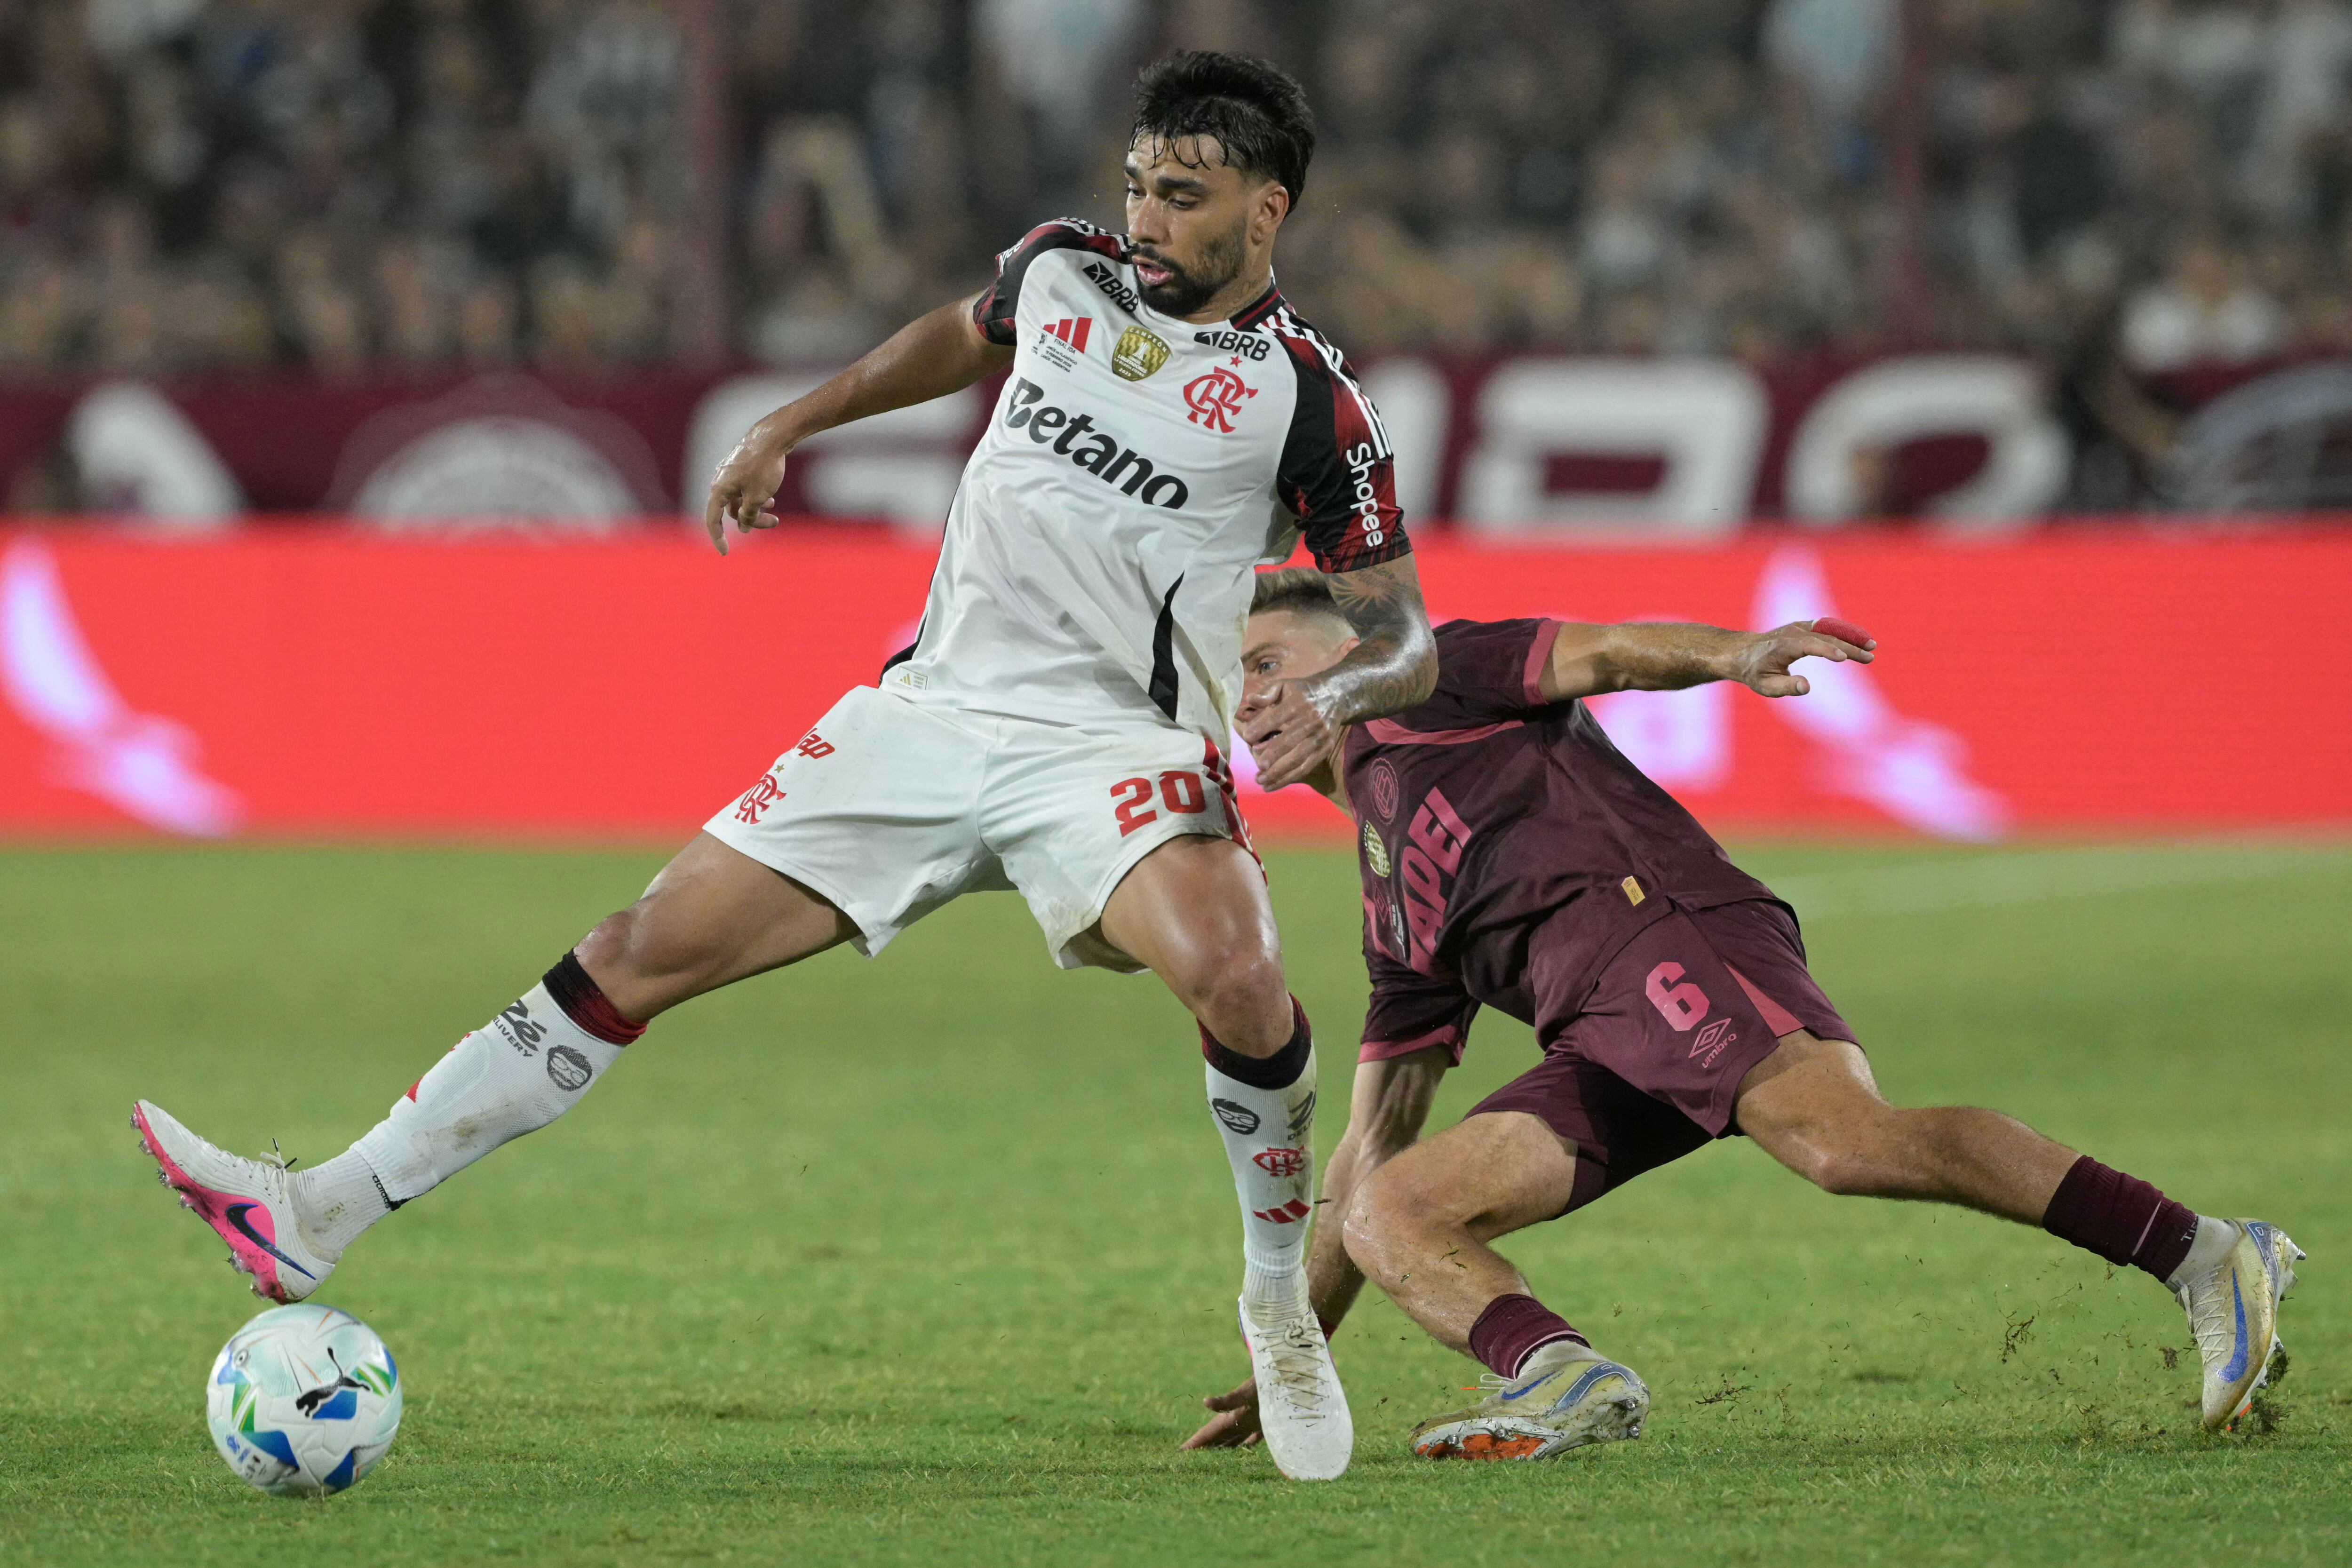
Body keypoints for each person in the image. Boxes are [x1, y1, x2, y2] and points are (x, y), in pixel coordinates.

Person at [133, 53, 1436, 1484]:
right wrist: (793, 423)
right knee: (635, 948)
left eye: (1182, 196)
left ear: (1266, 211)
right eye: (1136, 185)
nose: (1145, 217)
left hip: (1112, 744)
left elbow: (1401, 629)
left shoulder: (1309, 402)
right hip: (930, 714)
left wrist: (1337, 695)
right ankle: (317, 1209)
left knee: (1241, 978)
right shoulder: (1062, 272)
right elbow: (960, 335)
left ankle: (1276, 1300)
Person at [1182, 570, 2300, 1460]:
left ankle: (2201, 1252)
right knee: (1389, 1207)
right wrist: (1294, 1351)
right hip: (1604, 1039)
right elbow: (1369, 1140)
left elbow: (1606, 651)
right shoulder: (1392, 904)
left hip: (1665, 932)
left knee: (1844, 1143)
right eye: (1238, 679)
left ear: (1355, 654)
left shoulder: (1430, 679)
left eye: (1270, 661)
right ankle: (1562, 1377)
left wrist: (1737, 652)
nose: (1254, 695)